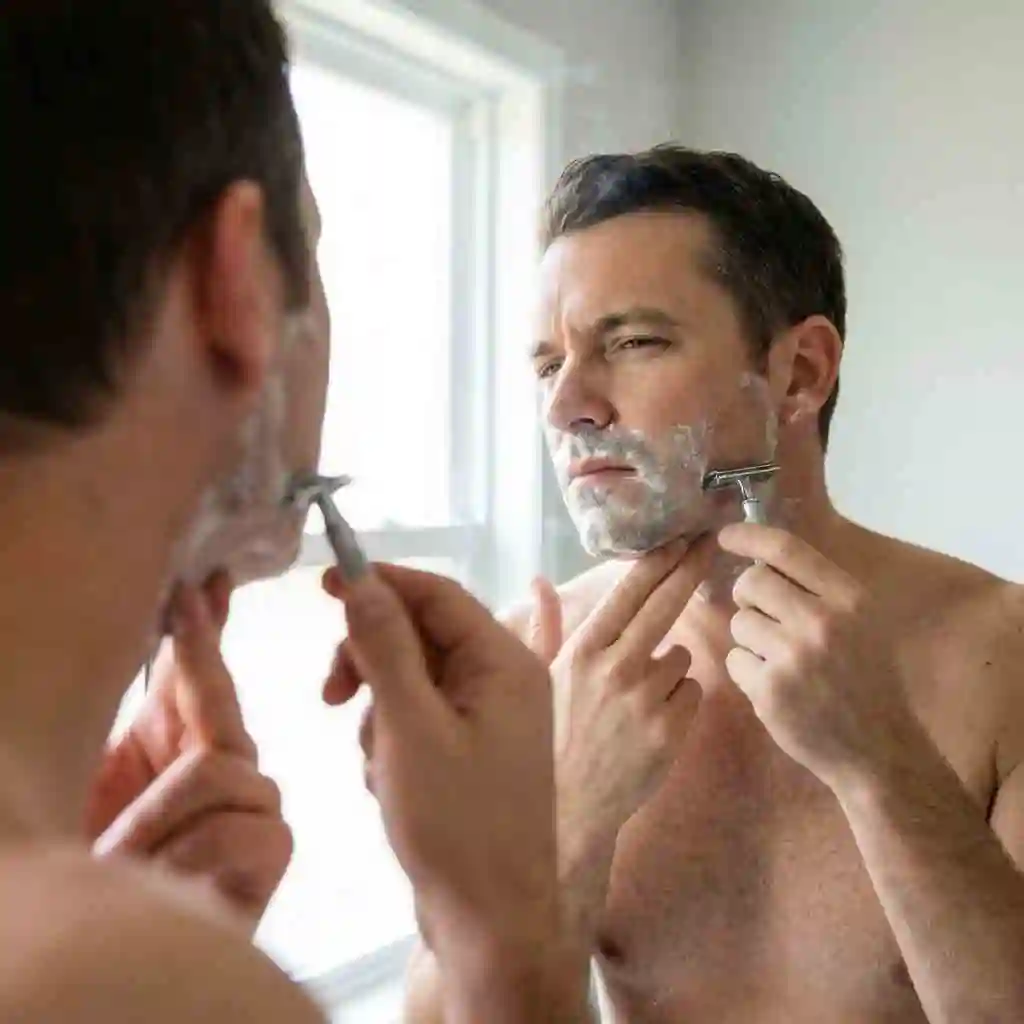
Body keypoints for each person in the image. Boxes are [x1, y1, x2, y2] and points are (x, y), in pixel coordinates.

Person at [0, 2, 591, 1021]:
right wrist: (511, 928)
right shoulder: (118, 980)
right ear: (233, 278)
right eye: (304, 251)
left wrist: (93, 878)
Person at [404, 146, 1024, 1022]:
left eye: (632, 342)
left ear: (799, 372)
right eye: (550, 365)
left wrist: (881, 764)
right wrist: (566, 823)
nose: (565, 406)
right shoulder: (526, 667)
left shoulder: (1005, 654)